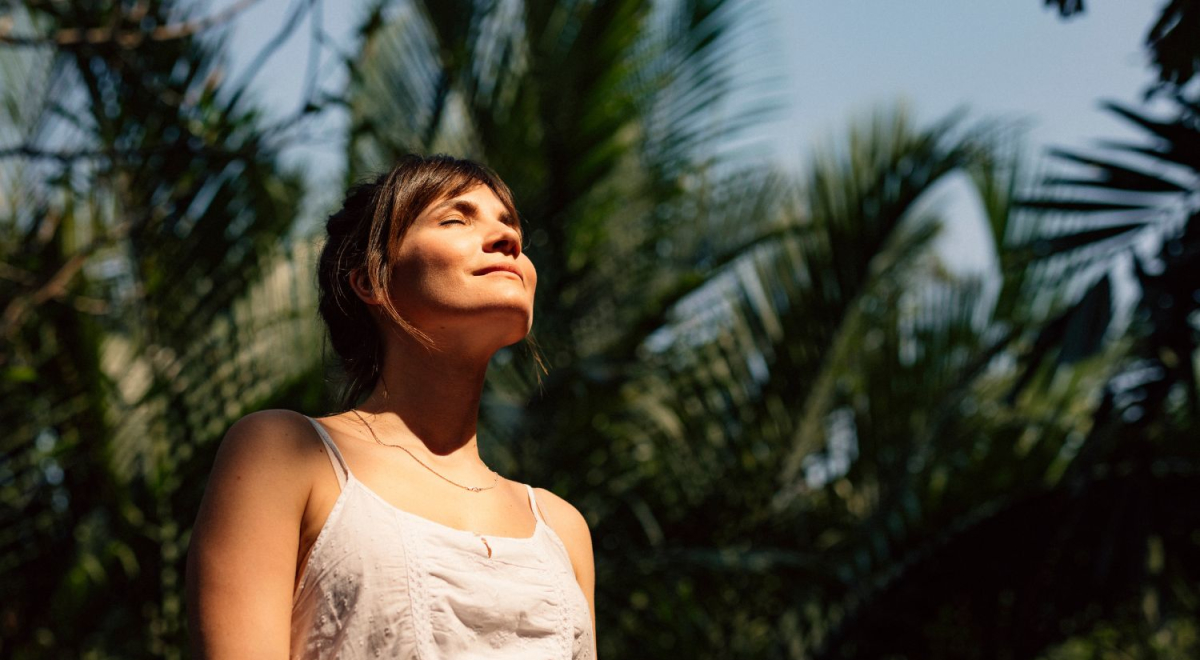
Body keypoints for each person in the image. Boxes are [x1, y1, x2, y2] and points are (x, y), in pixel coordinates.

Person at [185, 154, 597, 659]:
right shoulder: (284, 456)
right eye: (455, 219)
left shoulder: (561, 527)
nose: (507, 240)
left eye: (510, 226)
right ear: (372, 280)